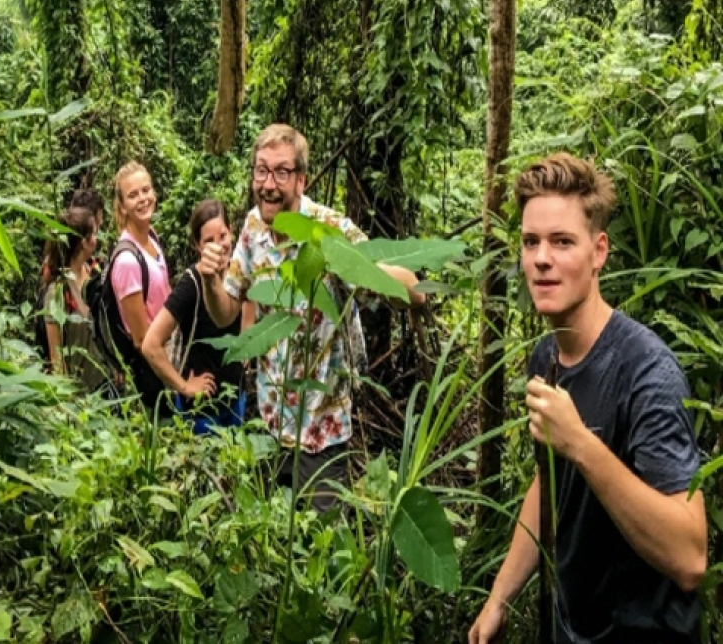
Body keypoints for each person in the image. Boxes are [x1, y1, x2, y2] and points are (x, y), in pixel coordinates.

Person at [469, 153, 707, 644]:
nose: (541, 258)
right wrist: (498, 599)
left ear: (599, 252)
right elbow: (550, 485)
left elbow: (690, 558)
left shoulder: (646, 372)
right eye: (530, 242)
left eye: (562, 242)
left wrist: (579, 442)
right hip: (574, 630)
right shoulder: (545, 357)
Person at [197, 124, 424, 511]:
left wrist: (349, 265)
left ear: (301, 180)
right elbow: (225, 314)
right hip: (269, 424)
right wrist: (210, 280)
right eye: (261, 170)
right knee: (269, 538)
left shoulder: (328, 228)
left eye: (281, 172)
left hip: (322, 431)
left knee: (321, 541)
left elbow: (413, 293)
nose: (268, 184)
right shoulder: (252, 228)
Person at [142, 199, 246, 433]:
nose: (218, 246)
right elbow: (151, 344)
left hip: (235, 401)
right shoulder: (192, 284)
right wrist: (184, 387)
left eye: (223, 236)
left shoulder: (238, 274)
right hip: (200, 412)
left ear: (232, 232)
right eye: (209, 241)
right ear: (197, 246)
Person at [107, 161, 172, 410]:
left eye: (146, 190)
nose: (143, 199)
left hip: (169, 349)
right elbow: (141, 339)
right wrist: (178, 382)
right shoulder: (127, 261)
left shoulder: (151, 238)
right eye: (133, 195)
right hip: (152, 369)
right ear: (122, 206)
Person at [42, 206, 107, 392]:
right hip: (81, 393)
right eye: (93, 233)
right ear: (83, 242)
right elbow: (56, 357)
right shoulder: (58, 292)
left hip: (105, 382)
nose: (96, 238)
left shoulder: (93, 272)